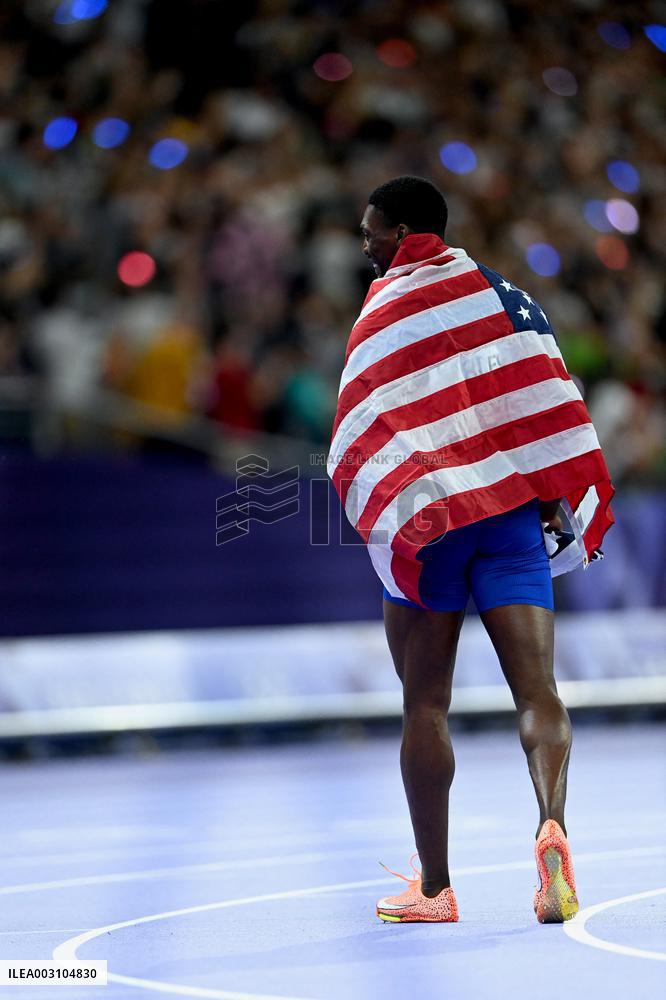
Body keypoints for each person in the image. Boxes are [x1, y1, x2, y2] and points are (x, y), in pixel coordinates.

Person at [327, 176, 614, 924]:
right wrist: (549, 494)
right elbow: (543, 399)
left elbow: (366, 426)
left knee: (424, 705)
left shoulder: (383, 309)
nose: (365, 244)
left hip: (433, 528)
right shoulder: (505, 296)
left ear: (401, 230)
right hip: (512, 520)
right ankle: (551, 823)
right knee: (539, 695)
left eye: (371, 231)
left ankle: (433, 888)